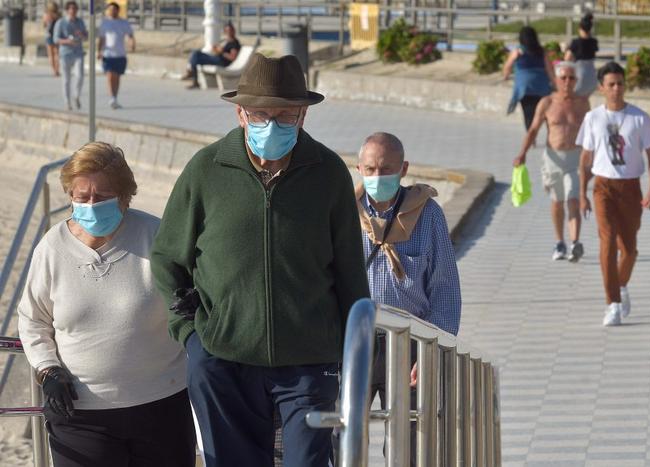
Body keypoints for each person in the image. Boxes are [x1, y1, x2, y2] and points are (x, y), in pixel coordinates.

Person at [150, 53, 370, 467]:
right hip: (222, 358)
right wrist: (191, 336)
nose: (273, 125)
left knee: (307, 461)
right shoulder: (206, 169)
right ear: (240, 113)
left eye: (286, 115)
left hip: (309, 359)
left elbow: (350, 271)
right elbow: (166, 256)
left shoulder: (329, 173)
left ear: (303, 115)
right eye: (261, 114)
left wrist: (354, 351)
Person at [17, 142, 196, 467]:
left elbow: (194, 294)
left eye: (101, 197)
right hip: (80, 415)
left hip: (161, 406)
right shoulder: (52, 248)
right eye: (80, 197)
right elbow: (33, 320)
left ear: (125, 195)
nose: (90, 205)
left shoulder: (156, 236)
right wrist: (48, 370)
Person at [356, 132, 461, 465]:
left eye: (385, 169)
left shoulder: (427, 214)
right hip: (354, 341)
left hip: (408, 341)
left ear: (403, 169)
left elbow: (445, 289)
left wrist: (432, 347)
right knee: (341, 434)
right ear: (359, 168)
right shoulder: (344, 213)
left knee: (409, 443)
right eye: (370, 168)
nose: (376, 176)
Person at [578, 62, 650, 327]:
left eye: (620, 83)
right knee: (607, 241)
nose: (616, 89)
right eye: (611, 84)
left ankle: (621, 285)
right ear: (601, 88)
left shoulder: (639, 118)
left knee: (630, 249)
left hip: (631, 187)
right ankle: (612, 303)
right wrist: (582, 193)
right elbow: (586, 157)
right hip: (603, 186)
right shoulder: (593, 118)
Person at [513, 61, 590, 261]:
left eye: (571, 78)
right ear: (556, 79)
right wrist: (522, 153)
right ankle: (560, 242)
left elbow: (591, 133)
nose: (567, 82)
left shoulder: (583, 103)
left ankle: (575, 243)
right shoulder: (547, 102)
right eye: (563, 77)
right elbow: (533, 130)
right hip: (553, 158)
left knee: (573, 199)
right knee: (557, 201)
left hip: (575, 158)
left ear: (576, 80)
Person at [503, 26, 555, 131]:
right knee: (546, 114)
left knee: (528, 115)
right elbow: (550, 70)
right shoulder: (542, 52)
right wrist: (554, 84)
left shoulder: (517, 51)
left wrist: (506, 76)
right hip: (542, 88)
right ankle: (551, 137)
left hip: (525, 88)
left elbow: (507, 67)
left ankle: (531, 140)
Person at [97, 2, 135, 109]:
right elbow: (101, 38)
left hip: (120, 54)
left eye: (114, 9)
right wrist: (99, 51)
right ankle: (111, 97)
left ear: (118, 10)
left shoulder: (123, 23)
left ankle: (115, 96)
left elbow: (130, 35)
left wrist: (132, 44)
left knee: (117, 77)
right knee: (110, 76)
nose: (112, 11)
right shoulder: (105, 23)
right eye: (110, 9)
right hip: (108, 54)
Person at [182, 22, 241, 89]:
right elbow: (219, 52)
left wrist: (221, 52)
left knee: (196, 56)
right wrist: (216, 50)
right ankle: (192, 75)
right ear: (225, 31)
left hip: (222, 62)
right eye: (227, 31)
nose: (229, 33)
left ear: (234, 31)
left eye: (230, 31)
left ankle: (193, 76)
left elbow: (232, 57)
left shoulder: (234, 43)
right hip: (218, 59)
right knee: (196, 53)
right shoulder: (228, 41)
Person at [53, 1, 87, 110]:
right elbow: (56, 39)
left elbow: (86, 36)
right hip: (65, 53)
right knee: (66, 79)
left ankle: (76, 96)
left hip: (78, 52)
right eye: (71, 9)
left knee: (80, 76)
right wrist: (67, 41)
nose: (73, 11)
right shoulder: (61, 22)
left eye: (75, 9)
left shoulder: (80, 22)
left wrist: (82, 35)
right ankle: (67, 102)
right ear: (67, 10)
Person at [564, 12, 599, 98]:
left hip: (580, 75)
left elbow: (567, 58)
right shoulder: (594, 42)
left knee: (575, 101)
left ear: (580, 28)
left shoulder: (576, 42)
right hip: (592, 75)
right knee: (584, 102)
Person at [42, 2, 61, 76]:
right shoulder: (58, 15)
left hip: (49, 35)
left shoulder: (46, 15)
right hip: (57, 35)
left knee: (51, 54)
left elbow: (44, 25)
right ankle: (57, 69)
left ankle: (54, 70)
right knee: (57, 53)